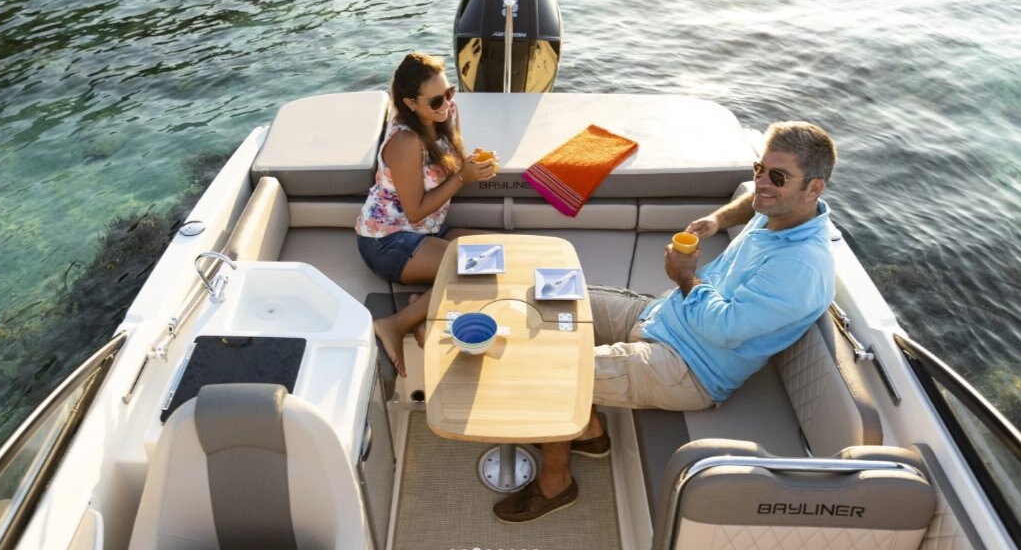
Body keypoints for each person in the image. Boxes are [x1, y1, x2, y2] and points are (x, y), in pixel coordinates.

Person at [493, 121, 838, 523]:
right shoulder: (779, 209)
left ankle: (557, 484)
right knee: (546, 299)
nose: (761, 182)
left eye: (777, 176)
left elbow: (724, 329)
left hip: (689, 367)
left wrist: (685, 278)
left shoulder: (800, 268)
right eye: (758, 168)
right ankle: (588, 433)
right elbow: (752, 201)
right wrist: (717, 220)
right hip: (663, 315)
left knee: (549, 374)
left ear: (814, 188)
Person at [356, 52, 498, 378]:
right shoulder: (406, 142)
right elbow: (415, 210)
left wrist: (475, 164)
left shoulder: (445, 114)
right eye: (436, 100)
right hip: (387, 241)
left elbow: (451, 159)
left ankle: (422, 312)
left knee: (499, 253)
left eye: (449, 92)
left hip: (427, 229)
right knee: (475, 271)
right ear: (410, 103)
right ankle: (393, 324)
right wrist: (462, 177)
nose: (446, 103)